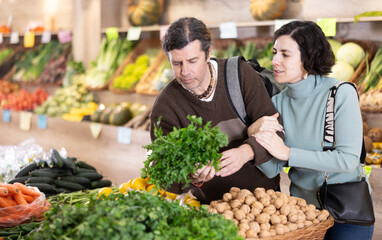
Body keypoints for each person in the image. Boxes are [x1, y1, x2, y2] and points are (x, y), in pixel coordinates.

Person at [248, 20, 374, 239]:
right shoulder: (278, 103)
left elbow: (347, 161)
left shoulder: (340, 94)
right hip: (302, 214)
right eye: (275, 52)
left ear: (308, 58)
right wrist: (254, 132)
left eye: (285, 54)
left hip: (347, 212)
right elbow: (272, 169)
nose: (275, 61)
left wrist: (289, 154)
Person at [149, 17, 282, 204]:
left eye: (193, 61)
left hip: (265, 202)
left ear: (208, 52)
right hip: (211, 210)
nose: (185, 71)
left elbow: (277, 130)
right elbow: (165, 176)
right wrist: (190, 176)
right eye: (177, 63)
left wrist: (246, 151)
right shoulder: (166, 107)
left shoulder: (239, 75)